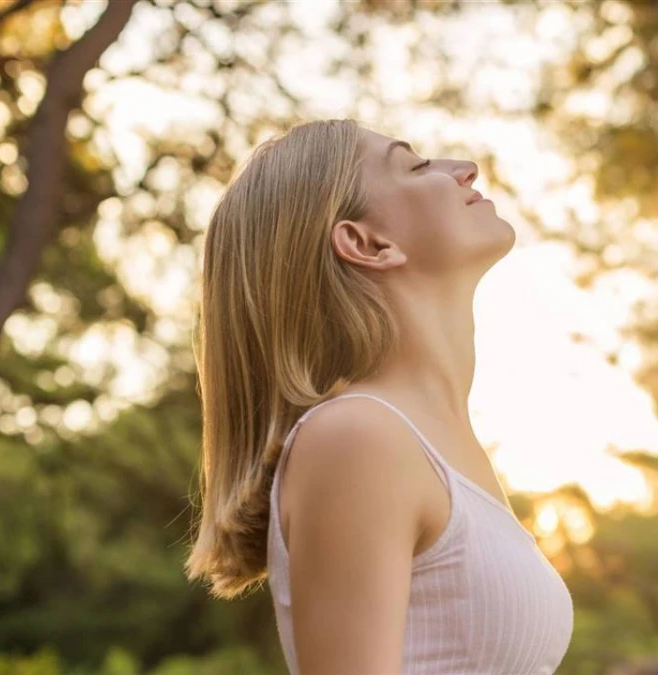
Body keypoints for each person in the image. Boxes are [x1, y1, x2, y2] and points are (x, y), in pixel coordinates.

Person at [185, 119, 574, 674]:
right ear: (367, 244)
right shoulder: (357, 438)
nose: (464, 167)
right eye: (415, 166)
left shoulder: (426, 441)